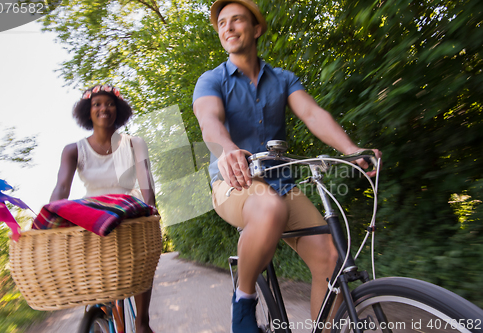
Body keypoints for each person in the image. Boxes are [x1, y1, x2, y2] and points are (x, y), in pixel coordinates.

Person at [192, 1, 382, 332]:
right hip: (235, 182)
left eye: (237, 20)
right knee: (268, 207)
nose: (228, 27)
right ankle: (243, 299)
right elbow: (209, 120)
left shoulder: (282, 79)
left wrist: (353, 150)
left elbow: (312, 114)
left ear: (256, 28)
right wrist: (228, 149)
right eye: (222, 23)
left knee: (331, 258)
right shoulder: (212, 80)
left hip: (281, 184)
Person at [50, 84, 157, 333]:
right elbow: (61, 188)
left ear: (117, 109)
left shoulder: (134, 143)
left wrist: (150, 210)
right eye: (96, 104)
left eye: (108, 103)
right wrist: (50, 217)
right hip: (94, 214)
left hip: (129, 210)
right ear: (88, 112)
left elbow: (146, 182)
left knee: (142, 259)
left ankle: (142, 322)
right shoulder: (73, 150)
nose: (103, 108)